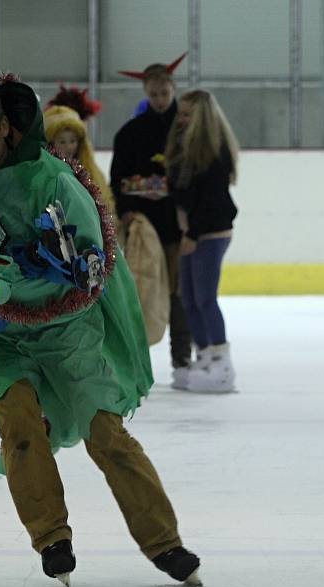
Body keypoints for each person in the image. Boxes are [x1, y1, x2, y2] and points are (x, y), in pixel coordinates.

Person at [0, 81, 201, 587]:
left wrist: (17, 278)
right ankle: (51, 537)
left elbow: (87, 264)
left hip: (66, 331)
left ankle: (165, 543)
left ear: (5, 127)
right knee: (20, 424)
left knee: (106, 434)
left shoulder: (50, 179)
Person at [110, 53, 194, 388]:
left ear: (173, 89)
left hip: (178, 225)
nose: (159, 99)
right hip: (143, 227)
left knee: (179, 293)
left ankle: (183, 359)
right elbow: (119, 178)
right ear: (146, 92)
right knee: (141, 293)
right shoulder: (131, 133)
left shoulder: (188, 129)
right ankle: (135, 360)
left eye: (164, 92)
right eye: (154, 93)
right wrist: (127, 210)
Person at [165, 89, 239, 393]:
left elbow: (211, 201)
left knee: (205, 298)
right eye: (180, 113)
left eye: (187, 114)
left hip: (210, 233)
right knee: (189, 299)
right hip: (192, 232)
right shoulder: (183, 150)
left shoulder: (214, 152)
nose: (180, 119)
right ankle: (205, 354)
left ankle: (221, 361)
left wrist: (193, 234)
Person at [42, 103, 115, 213]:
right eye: (62, 142)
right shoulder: (45, 173)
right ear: (50, 143)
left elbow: (104, 203)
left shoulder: (90, 172)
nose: (68, 147)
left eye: (73, 141)